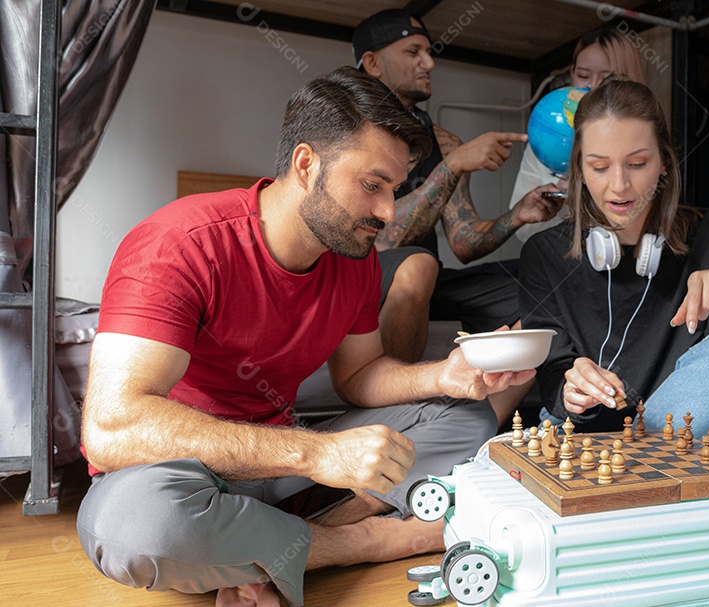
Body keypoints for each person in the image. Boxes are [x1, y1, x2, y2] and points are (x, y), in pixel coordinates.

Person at [77, 68, 534, 607]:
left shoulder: (352, 260)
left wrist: (446, 374)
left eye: (393, 189)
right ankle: (359, 540)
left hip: (278, 471)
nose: (387, 213)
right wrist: (313, 455)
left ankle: (262, 547)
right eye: (372, 185)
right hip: (178, 476)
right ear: (305, 164)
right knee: (134, 530)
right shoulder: (178, 244)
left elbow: (359, 375)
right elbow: (111, 428)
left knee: (466, 417)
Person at [518, 77, 709, 437]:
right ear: (579, 168)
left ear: (663, 162)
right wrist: (570, 389)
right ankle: (640, 474)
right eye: (599, 167)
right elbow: (552, 371)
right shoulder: (542, 254)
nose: (619, 185)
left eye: (638, 163)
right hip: (581, 434)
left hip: (674, 429)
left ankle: (640, 469)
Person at [352, 9, 563, 364]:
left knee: (540, 276)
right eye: (413, 51)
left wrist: (517, 215)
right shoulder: (353, 133)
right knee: (418, 263)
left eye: (429, 52)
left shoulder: (444, 142)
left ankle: (519, 408)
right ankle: (396, 396)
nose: (428, 63)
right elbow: (382, 239)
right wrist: (451, 167)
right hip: (360, 277)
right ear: (372, 62)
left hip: (427, 279)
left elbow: (463, 241)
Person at [511, 26, 648, 244]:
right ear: (572, 75)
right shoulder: (547, 139)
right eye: (583, 76)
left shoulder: (646, 142)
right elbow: (524, 232)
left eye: (607, 77)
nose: (592, 86)